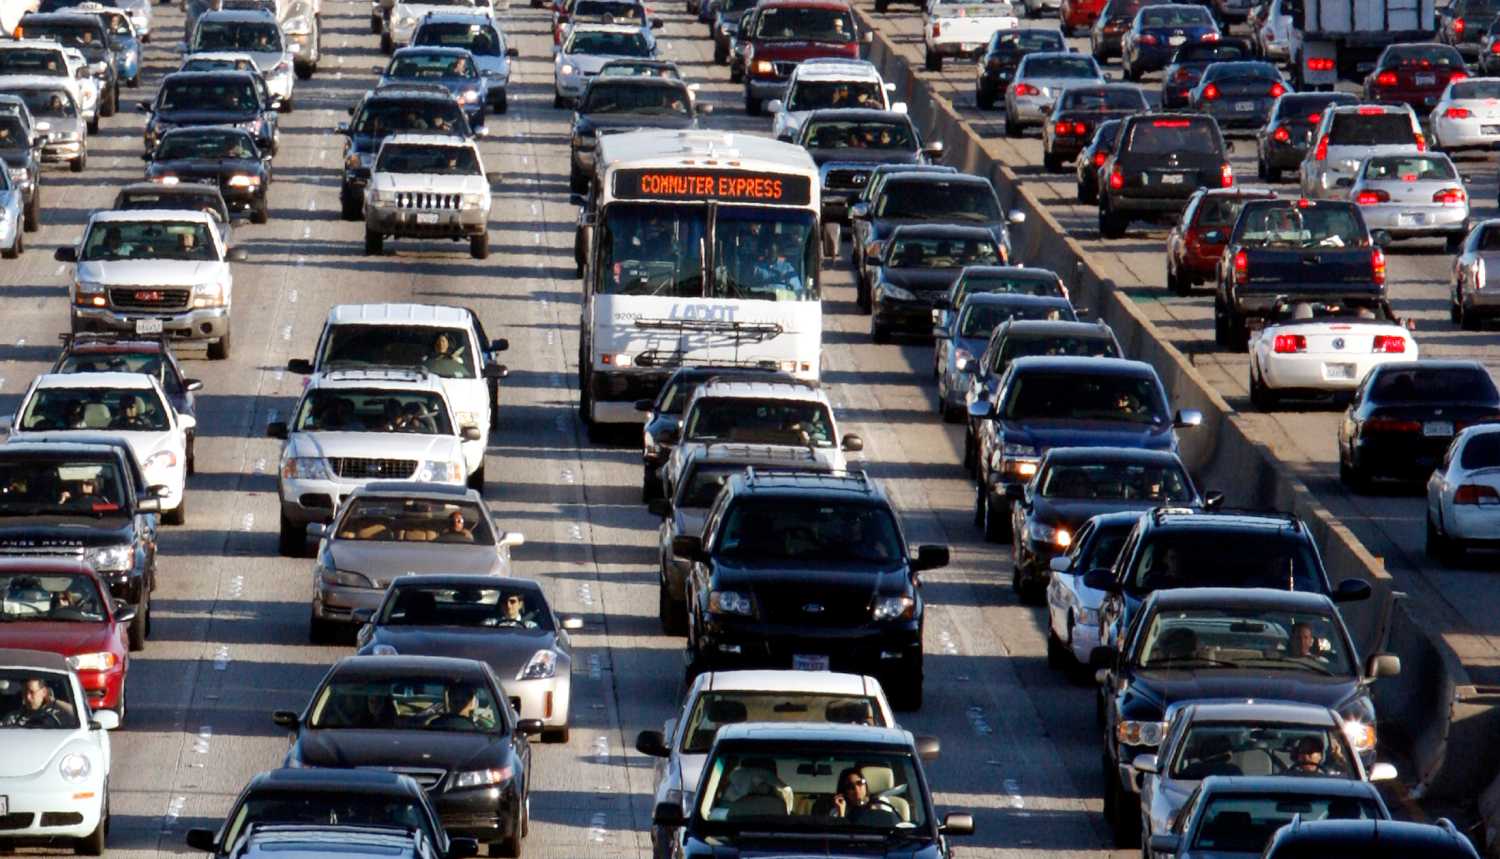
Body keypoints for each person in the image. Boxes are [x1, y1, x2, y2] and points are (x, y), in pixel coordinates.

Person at [1, 677, 74, 728]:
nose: (27, 697)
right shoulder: (13, 718)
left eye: (32, 692)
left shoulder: (58, 714)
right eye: (24, 693)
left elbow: (78, 715)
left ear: (44, 692)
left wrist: (53, 701)